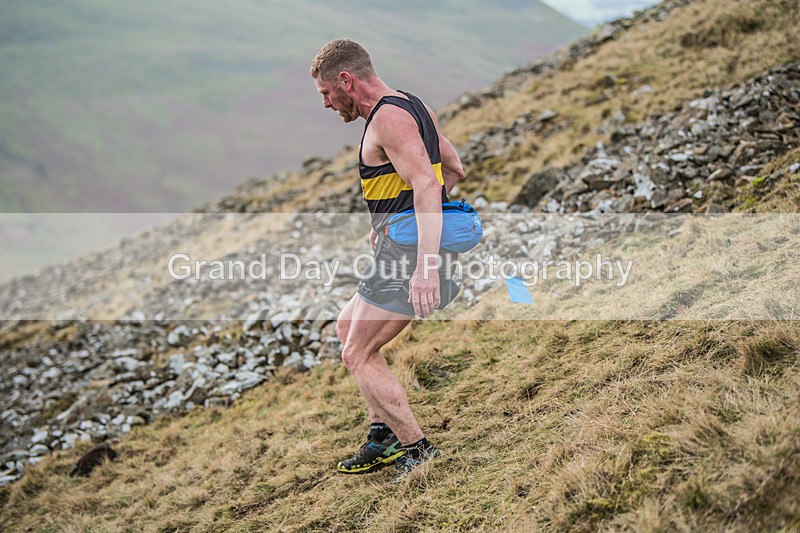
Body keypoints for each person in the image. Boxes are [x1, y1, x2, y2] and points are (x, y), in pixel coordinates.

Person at [309, 38, 466, 483]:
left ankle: (417, 448)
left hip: (409, 261)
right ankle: (382, 434)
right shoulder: (414, 106)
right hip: (400, 251)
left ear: (346, 80)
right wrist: (394, 219)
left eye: (326, 92)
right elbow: (453, 168)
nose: (325, 103)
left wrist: (425, 267)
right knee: (346, 329)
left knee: (357, 353)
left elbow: (427, 185)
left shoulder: (388, 120)